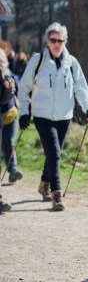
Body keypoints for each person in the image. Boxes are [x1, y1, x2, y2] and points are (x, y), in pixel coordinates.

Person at [18, 22, 88, 211]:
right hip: (42, 115)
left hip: (64, 115)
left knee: (55, 153)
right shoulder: (38, 61)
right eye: (53, 40)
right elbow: (24, 88)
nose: (56, 44)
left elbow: (81, 88)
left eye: (60, 40)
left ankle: (44, 184)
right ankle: (56, 194)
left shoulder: (72, 63)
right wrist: (24, 113)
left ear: (65, 42)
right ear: (47, 41)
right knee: (53, 152)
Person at [0, 47, 17, 213]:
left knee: (8, 143)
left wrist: (8, 88)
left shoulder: (5, 74)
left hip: (6, 115)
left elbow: (5, 98)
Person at [1, 71, 23, 183]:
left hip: (11, 115)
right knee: (3, 144)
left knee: (9, 142)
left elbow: (20, 91)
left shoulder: (10, 76)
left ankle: (13, 170)